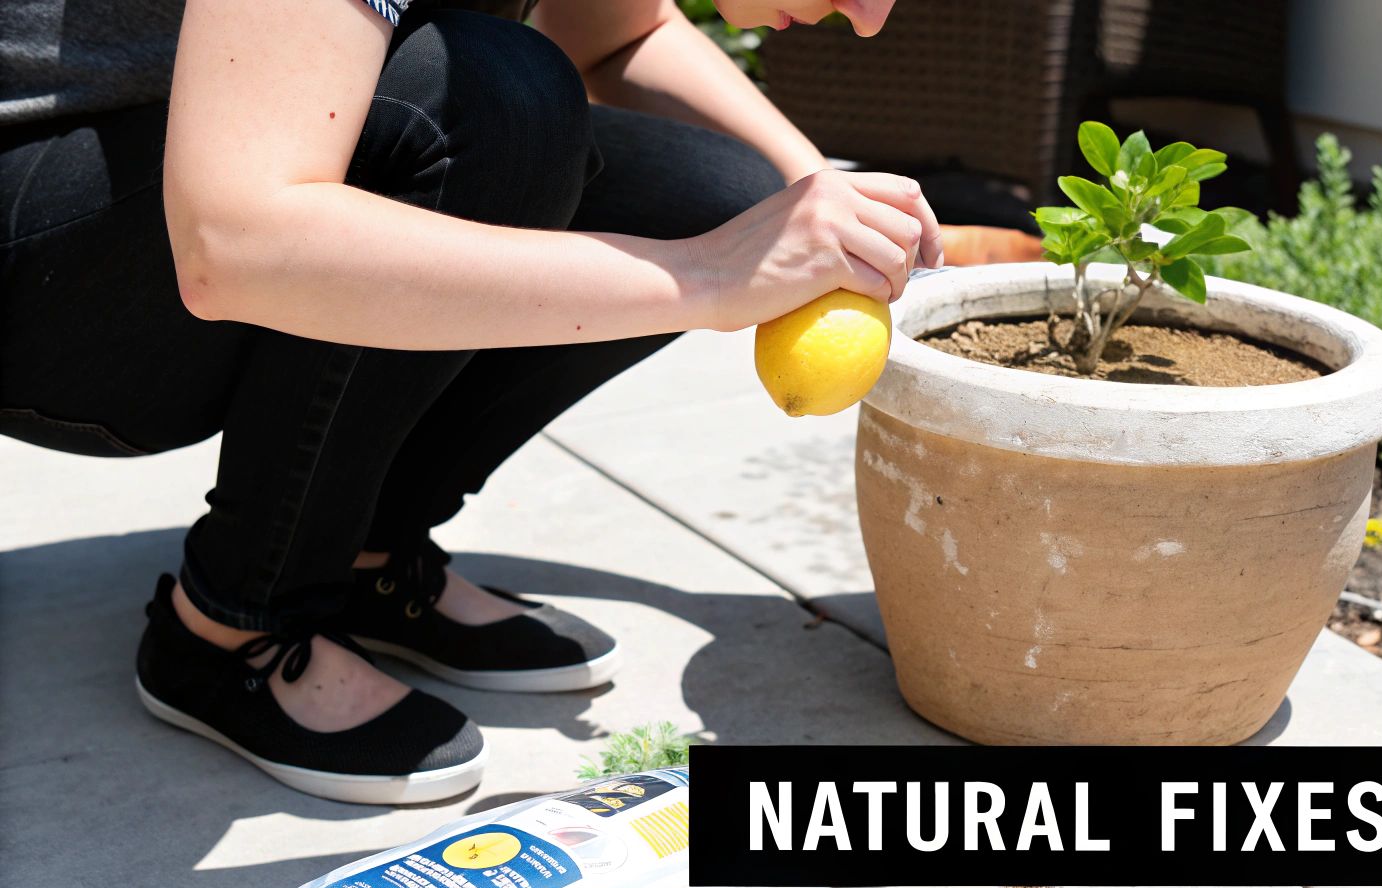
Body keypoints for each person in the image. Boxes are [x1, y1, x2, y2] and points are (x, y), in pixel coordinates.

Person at [0, 0, 939, 804]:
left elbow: (618, 36)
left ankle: (363, 556)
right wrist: (706, 277)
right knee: (491, 98)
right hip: (44, 268)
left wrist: (818, 192)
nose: (871, 16)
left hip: (186, 186)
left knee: (718, 192)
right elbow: (233, 243)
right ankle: (230, 627)